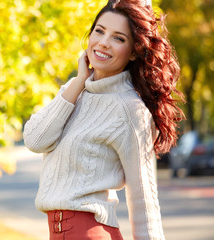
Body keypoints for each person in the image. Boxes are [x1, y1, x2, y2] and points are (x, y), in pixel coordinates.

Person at [23, 0, 185, 239]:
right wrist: (79, 82)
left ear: (133, 52)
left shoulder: (130, 110)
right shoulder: (74, 90)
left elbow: (144, 200)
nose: (103, 42)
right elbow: (35, 140)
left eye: (118, 38)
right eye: (99, 31)